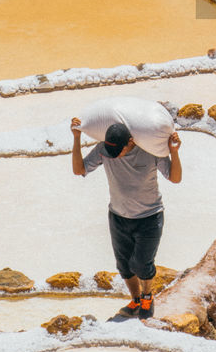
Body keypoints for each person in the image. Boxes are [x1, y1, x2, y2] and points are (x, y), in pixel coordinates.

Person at [71, 116, 181, 321]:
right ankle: (137, 300)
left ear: (130, 142)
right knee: (123, 265)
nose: (114, 156)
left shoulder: (150, 151)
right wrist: (77, 138)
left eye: (118, 151)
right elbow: (79, 169)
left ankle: (148, 296)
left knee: (142, 263)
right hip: (118, 216)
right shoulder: (105, 150)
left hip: (149, 217)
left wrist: (174, 153)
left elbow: (175, 178)